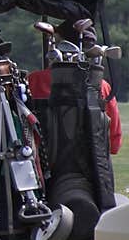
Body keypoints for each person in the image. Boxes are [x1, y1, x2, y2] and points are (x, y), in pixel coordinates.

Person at [27, 20, 122, 154]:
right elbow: (114, 145)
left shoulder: (34, 80)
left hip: (43, 164)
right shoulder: (102, 86)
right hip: (90, 168)